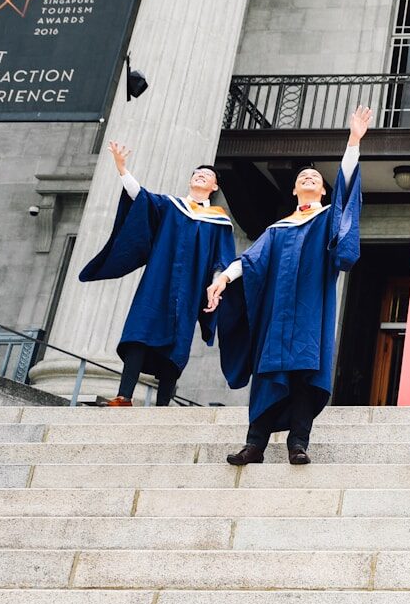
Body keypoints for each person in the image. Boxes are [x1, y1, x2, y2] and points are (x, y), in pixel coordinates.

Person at [205, 105, 370, 465]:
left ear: (323, 192)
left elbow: (346, 194)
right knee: (268, 376)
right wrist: (223, 278)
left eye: (315, 178)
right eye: (303, 178)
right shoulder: (277, 229)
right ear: (295, 190)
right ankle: (255, 445)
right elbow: (251, 261)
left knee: (302, 378)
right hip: (277, 319)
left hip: (310, 313)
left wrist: (353, 143)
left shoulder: (329, 219)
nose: (309, 179)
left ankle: (298, 443)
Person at [78, 143, 236, 407]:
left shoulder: (218, 220)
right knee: (140, 330)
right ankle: (124, 396)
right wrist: (122, 169)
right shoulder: (170, 206)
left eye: (207, 175)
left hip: (190, 288)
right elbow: (140, 196)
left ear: (214, 187)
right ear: (190, 181)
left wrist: (216, 285)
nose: (201, 176)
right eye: (197, 173)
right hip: (158, 282)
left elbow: (222, 259)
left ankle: (163, 406)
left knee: (177, 343)